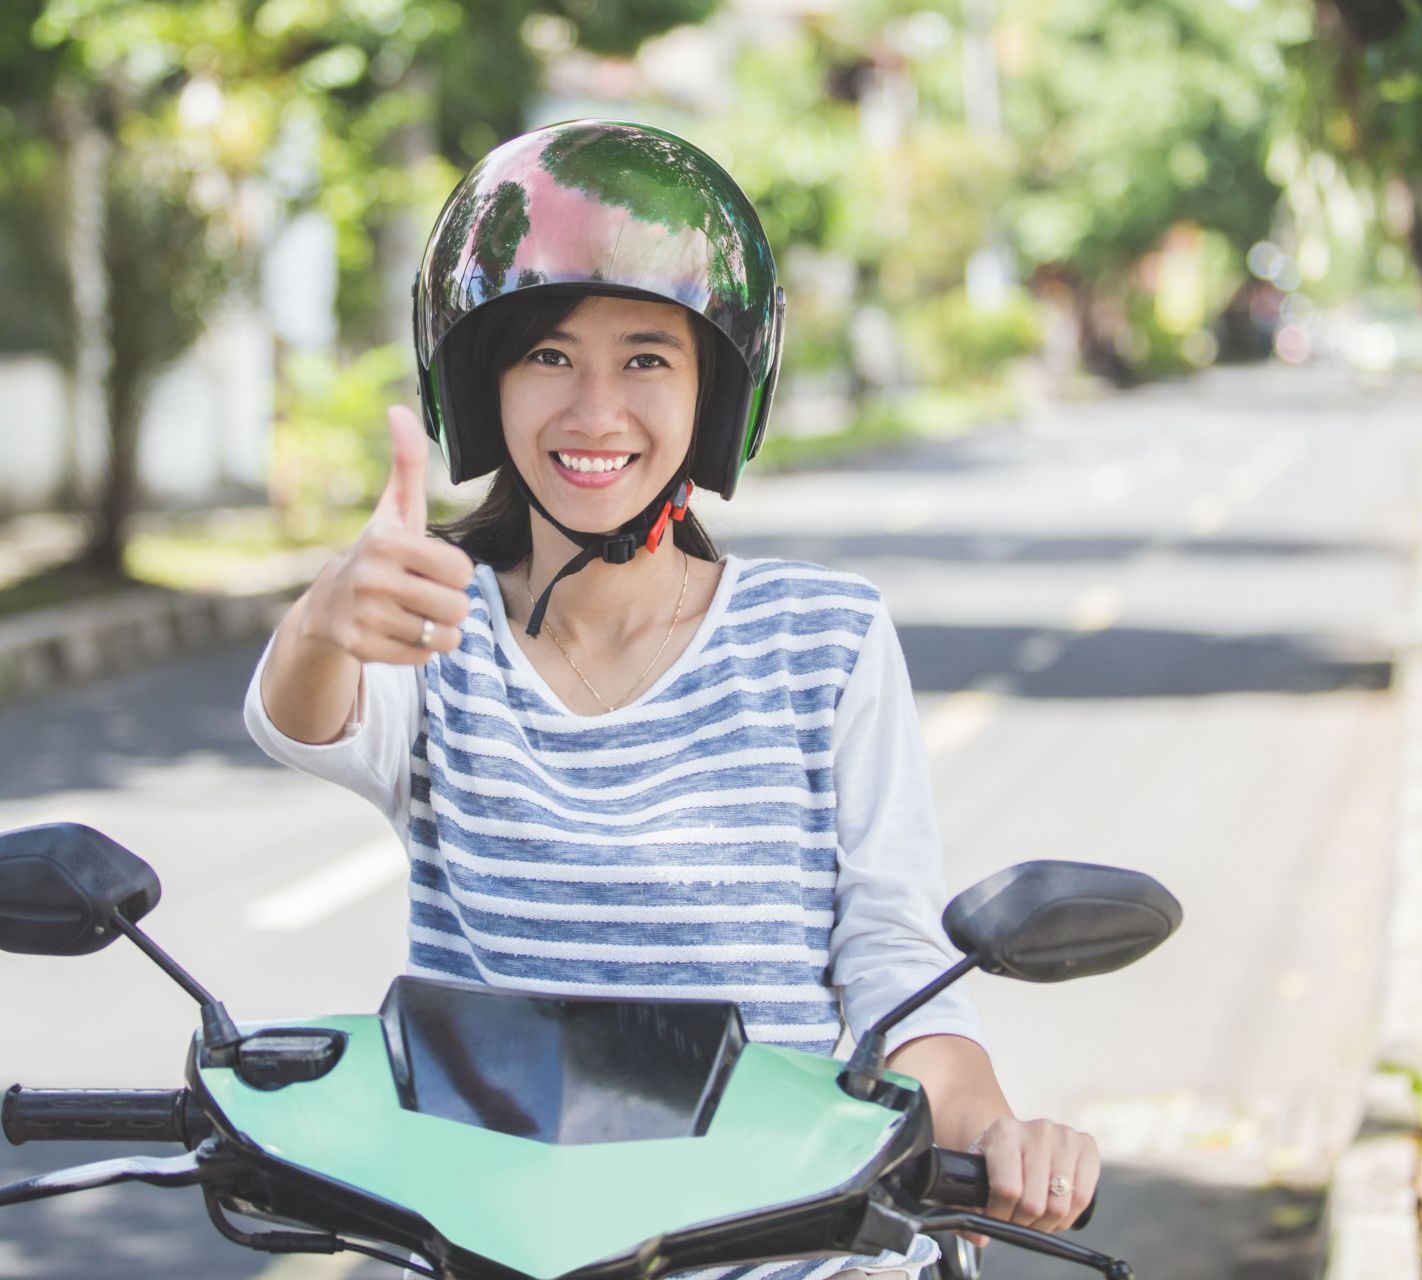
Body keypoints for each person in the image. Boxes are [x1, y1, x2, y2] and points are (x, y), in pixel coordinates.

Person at [244, 119, 1099, 1280]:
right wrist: (324, 617)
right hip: (493, 1250)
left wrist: (991, 1127)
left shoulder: (825, 639)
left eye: (647, 358)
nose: (595, 411)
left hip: (792, 1256)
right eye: (548, 355)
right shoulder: (434, 628)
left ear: (713, 393)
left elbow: (895, 956)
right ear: (483, 383)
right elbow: (305, 718)